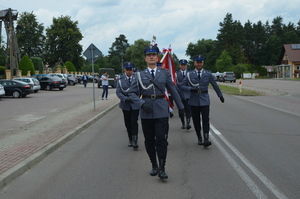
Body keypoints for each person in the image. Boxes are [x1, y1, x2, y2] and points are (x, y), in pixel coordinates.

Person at [129, 45, 184, 179]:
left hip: (161, 109)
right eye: (149, 55)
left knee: (161, 139)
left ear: (157, 57)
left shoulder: (164, 73)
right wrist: (142, 103)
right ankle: (154, 164)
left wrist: (181, 107)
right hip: (146, 111)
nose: (151, 57)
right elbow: (132, 93)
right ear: (145, 58)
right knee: (149, 140)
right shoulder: (139, 75)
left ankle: (162, 167)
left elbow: (173, 89)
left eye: (153, 55)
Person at [180, 55, 224, 147]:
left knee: (205, 119)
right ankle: (199, 137)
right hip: (194, 100)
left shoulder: (208, 74)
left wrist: (220, 95)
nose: (199, 64)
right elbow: (181, 85)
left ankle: (206, 138)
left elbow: (214, 84)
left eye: (201, 62)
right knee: (196, 120)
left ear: (203, 63)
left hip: (204, 99)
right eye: (197, 62)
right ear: (194, 63)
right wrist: (190, 89)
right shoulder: (189, 74)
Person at [116, 62, 140, 149]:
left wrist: (136, 99)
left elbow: (140, 90)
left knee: (134, 122)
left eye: (130, 69)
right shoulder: (120, 79)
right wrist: (125, 99)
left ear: (133, 70)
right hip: (125, 104)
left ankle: (135, 139)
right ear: (124, 70)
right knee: (128, 123)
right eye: (127, 70)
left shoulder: (137, 78)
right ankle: (130, 138)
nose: (129, 71)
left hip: (135, 104)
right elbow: (118, 92)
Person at [176, 59, 192, 130]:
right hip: (179, 94)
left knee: (188, 109)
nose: (183, 66)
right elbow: (175, 84)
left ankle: (188, 123)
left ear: (186, 65)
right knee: (181, 110)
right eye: (182, 65)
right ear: (179, 65)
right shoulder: (176, 73)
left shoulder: (190, 73)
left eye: (184, 65)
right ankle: (183, 123)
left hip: (188, 94)